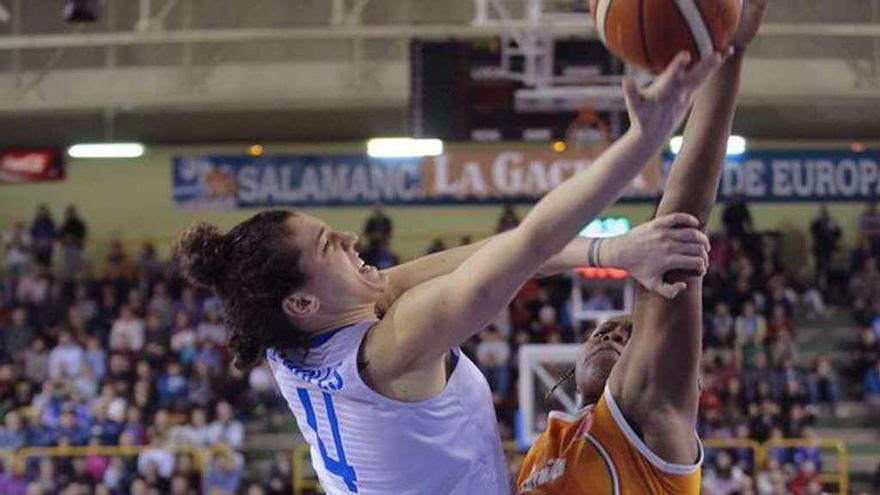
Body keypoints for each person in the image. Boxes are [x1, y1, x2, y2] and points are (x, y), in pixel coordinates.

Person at [175, 52, 721, 494]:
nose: (351, 241)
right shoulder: (395, 346)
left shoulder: (289, 335)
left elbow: (487, 255)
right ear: (302, 303)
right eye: (329, 246)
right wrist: (644, 142)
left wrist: (610, 250)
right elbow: (527, 243)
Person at [515, 3, 769, 493]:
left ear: (684, 384)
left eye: (629, 335)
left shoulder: (647, 422)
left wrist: (729, 53)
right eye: (605, 331)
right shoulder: (546, 450)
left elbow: (678, 230)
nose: (611, 333)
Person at [809, 205, 840, 289]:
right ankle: (817, 285)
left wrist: (833, 224)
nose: (824, 216)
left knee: (828, 269)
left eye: (825, 214)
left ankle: (828, 285)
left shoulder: (831, 223)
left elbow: (838, 234)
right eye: (822, 214)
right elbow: (812, 229)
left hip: (829, 250)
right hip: (819, 251)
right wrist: (817, 220)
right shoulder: (817, 223)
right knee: (818, 270)